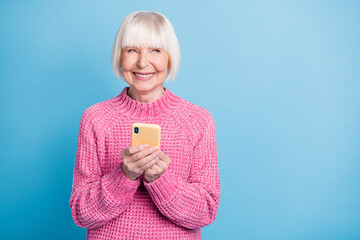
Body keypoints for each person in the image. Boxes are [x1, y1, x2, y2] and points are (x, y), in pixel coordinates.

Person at [69, 10, 220, 240]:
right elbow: (82, 213)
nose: (142, 62)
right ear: (120, 57)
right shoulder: (95, 118)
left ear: (169, 57)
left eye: (155, 51)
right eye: (132, 50)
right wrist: (124, 175)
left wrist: (161, 180)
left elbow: (206, 211)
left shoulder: (198, 120)